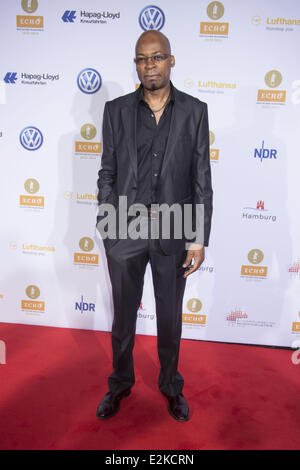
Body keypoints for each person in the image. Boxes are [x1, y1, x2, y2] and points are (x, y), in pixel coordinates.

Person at [96, 30, 213, 421]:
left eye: (157, 57)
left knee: (169, 316)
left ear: (171, 61)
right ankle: (120, 383)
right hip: (124, 231)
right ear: (136, 64)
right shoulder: (115, 110)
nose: (150, 65)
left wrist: (197, 239)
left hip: (174, 230)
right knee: (123, 318)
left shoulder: (195, 111)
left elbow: (201, 179)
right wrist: (107, 224)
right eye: (143, 59)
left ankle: (170, 386)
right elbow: (107, 172)